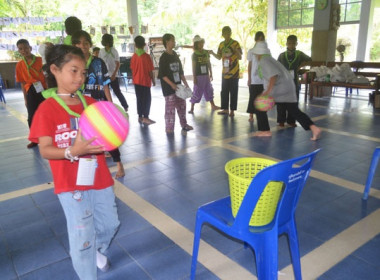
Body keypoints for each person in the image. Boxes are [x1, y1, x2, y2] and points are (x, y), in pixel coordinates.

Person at [29, 44, 120, 280]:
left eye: (83, 72)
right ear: (55, 70)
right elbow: (46, 150)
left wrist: (111, 139)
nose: (80, 77)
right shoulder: (46, 110)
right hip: (70, 186)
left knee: (111, 224)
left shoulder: (91, 104)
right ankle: (87, 267)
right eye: (74, 70)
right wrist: (74, 150)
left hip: (99, 178)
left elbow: (108, 134)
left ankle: (96, 252)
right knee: (82, 237)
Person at [72, 30, 125, 178]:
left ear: (90, 44)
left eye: (86, 43)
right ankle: (88, 172)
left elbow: (105, 85)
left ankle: (119, 165)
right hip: (80, 105)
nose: (82, 46)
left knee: (108, 135)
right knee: (84, 138)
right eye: (79, 43)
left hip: (99, 104)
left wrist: (110, 104)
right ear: (74, 44)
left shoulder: (98, 62)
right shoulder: (72, 63)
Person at [252, 41, 321, 140]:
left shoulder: (264, 60)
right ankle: (314, 128)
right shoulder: (270, 59)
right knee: (294, 111)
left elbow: (273, 76)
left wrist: (267, 93)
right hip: (289, 87)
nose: (255, 55)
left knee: (259, 106)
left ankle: (265, 130)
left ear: (258, 53)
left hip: (279, 88)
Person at [158, 33, 193, 134]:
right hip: (169, 88)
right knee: (170, 109)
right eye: (172, 40)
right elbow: (162, 75)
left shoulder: (175, 55)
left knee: (182, 106)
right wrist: (171, 84)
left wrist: (185, 83)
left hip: (179, 86)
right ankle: (169, 128)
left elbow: (180, 71)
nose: (174, 42)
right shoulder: (163, 57)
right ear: (167, 42)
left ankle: (184, 124)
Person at [15, 39, 47, 148]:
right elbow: (22, 83)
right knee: (31, 115)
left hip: (44, 90)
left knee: (46, 113)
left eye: (26, 47)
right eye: (21, 49)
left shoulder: (40, 60)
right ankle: (34, 139)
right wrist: (25, 98)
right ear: (19, 51)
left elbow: (47, 76)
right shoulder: (19, 65)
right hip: (30, 90)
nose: (24, 50)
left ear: (30, 48)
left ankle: (50, 136)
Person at [277, 35, 311, 127]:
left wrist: (301, 66)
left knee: (293, 102)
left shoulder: (299, 54)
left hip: (294, 82)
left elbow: (310, 60)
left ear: (296, 44)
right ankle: (281, 120)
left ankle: (291, 121)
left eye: (293, 43)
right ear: (286, 44)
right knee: (281, 102)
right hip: (283, 82)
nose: (291, 45)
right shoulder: (282, 55)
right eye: (289, 43)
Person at [210, 26, 242, 117]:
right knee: (224, 91)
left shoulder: (235, 43)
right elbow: (219, 57)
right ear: (222, 34)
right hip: (225, 72)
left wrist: (235, 50)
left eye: (229, 33)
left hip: (234, 72)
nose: (227, 35)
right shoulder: (221, 44)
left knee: (233, 92)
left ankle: (232, 110)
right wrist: (212, 53)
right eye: (225, 33)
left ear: (231, 33)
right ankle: (225, 109)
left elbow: (240, 57)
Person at [246, 32, 271, 136]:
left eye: (262, 39)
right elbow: (250, 65)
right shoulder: (251, 51)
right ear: (255, 40)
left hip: (263, 81)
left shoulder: (267, 51)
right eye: (259, 39)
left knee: (261, 105)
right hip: (255, 81)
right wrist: (249, 79)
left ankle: (264, 129)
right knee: (257, 104)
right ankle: (263, 129)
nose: (261, 41)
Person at [188, 35, 219, 114]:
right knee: (196, 91)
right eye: (199, 43)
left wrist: (211, 73)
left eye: (202, 43)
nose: (201, 44)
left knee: (209, 89)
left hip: (206, 75)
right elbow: (193, 66)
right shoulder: (194, 54)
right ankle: (192, 108)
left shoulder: (206, 52)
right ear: (196, 44)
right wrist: (194, 77)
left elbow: (208, 63)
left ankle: (213, 105)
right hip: (198, 76)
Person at [99, 34, 129, 112]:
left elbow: (118, 64)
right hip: (105, 75)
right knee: (105, 92)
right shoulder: (101, 51)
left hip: (113, 75)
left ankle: (125, 106)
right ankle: (107, 108)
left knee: (117, 91)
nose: (107, 43)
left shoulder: (114, 51)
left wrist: (114, 74)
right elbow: (100, 63)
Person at [130, 35, 156, 125]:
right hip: (145, 82)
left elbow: (132, 69)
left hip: (136, 82)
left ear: (135, 45)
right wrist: (153, 80)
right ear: (144, 44)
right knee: (147, 99)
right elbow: (150, 71)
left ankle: (140, 117)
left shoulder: (134, 56)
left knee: (139, 99)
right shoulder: (146, 57)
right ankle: (146, 117)